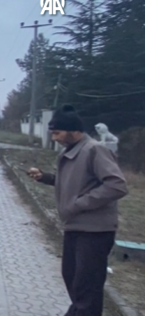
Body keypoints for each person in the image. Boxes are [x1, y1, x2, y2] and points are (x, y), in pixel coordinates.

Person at [26, 105, 128, 316]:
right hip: (75, 227)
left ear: (74, 130)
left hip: (95, 231)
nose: (55, 138)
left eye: (57, 133)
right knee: (73, 280)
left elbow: (116, 185)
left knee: (86, 287)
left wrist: (79, 204)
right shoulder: (71, 151)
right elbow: (77, 183)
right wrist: (45, 177)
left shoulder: (94, 150)